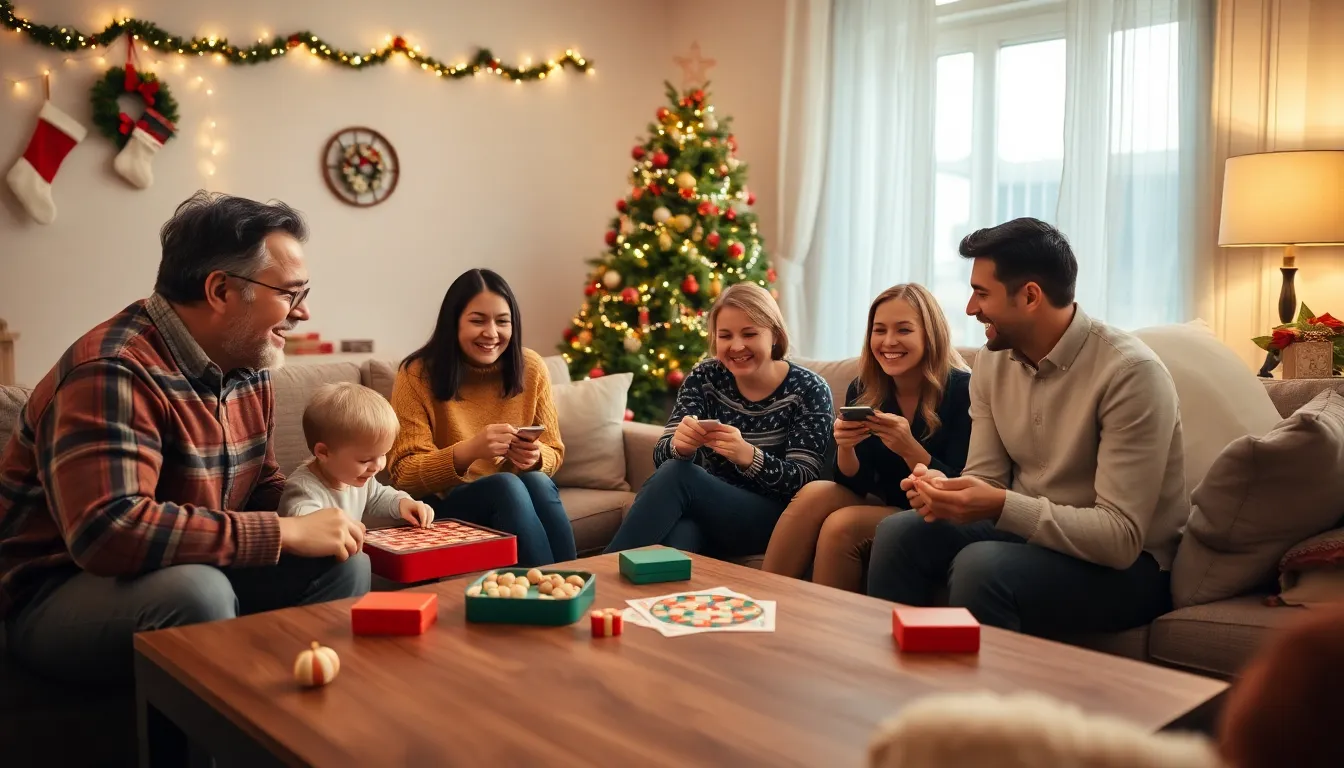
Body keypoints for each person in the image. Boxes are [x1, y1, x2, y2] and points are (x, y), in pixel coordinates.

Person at [0, 192, 371, 685]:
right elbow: (109, 531)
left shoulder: (248, 360)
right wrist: (284, 533)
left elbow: (262, 484)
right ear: (220, 290)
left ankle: (297, 713)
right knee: (197, 593)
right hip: (56, 590)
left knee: (343, 564)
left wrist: (328, 508)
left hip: (184, 565)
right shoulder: (113, 370)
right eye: (290, 293)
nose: (302, 313)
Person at [867, 217, 1186, 636]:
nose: (969, 308)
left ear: (1031, 296)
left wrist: (1000, 505)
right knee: (898, 533)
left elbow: (1119, 537)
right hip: (1029, 534)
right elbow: (985, 478)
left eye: (982, 293)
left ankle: (990, 703)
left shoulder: (1130, 374)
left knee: (980, 566)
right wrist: (943, 492)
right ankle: (894, 689)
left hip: (1131, 567)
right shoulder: (992, 363)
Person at [762, 284, 971, 592]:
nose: (888, 342)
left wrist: (909, 447)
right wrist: (846, 447)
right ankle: (762, 598)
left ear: (930, 334)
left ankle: (831, 634)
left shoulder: (962, 390)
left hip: (934, 509)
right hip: (887, 501)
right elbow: (856, 484)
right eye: (879, 330)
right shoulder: (865, 387)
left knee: (842, 526)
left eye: (903, 330)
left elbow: (962, 484)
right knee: (816, 492)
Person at [604, 282, 833, 558]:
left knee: (680, 475)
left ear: (774, 335)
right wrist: (679, 447)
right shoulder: (705, 377)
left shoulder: (809, 389)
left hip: (777, 520)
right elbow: (662, 456)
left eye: (749, 334)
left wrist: (748, 456)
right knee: (682, 531)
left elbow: (805, 480)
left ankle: (598, 575)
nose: (736, 346)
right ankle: (657, 599)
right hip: (708, 512)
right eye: (725, 336)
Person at [387, 268, 575, 567]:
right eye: (477, 321)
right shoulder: (416, 374)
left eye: (502, 322)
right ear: (454, 323)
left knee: (537, 481)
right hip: (444, 503)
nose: (491, 333)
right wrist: (470, 450)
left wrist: (535, 457)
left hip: (517, 496)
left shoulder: (531, 367)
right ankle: (551, 593)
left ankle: (573, 579)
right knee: (507, 485)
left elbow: (555, 451)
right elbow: (404, 473)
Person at [279, 382, 435, 528]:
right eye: (365, 460)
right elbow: (303, 522)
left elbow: (379, 496)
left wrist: (403, 503)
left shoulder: (357, 478)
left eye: (382, 455)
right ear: (324, 452)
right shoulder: (302, 490)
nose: (377, 467)